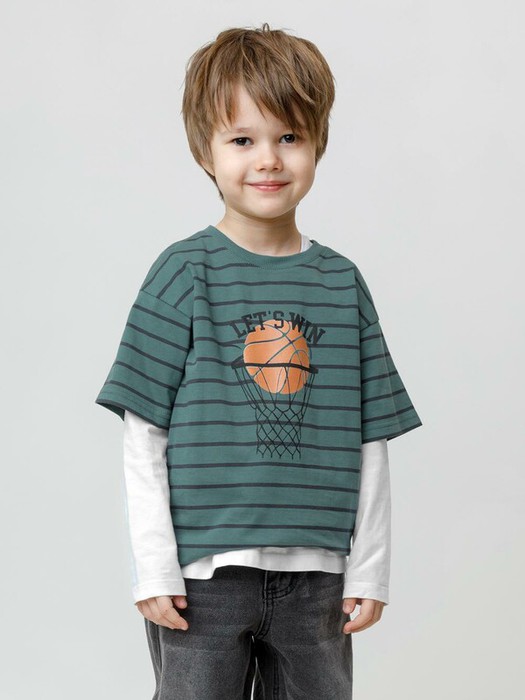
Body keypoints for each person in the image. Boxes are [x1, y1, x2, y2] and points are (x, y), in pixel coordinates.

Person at [95, 23, 422, 699]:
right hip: (204, 578)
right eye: (242, 140)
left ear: (317, 143)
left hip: (318, 580)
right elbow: (144, 433)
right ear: (205, 151)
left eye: (289, 137)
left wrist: (370, 568)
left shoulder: (342, 284)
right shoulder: (182, 272)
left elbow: (370, 439)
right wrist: (153, 566)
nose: (268, 160)